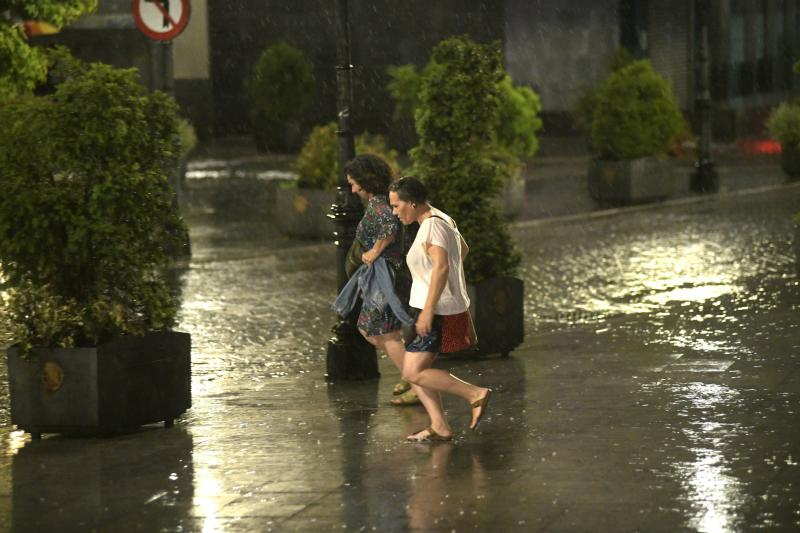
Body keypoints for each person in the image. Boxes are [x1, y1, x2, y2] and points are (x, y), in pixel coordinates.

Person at [387, 176, 492, 442]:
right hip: (431, 305)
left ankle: (474, 394)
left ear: (412, 203)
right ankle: (439, 425)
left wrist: (429, 309)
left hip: (433, 310)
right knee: (414, 370)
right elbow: (462, 250)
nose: (394, 212)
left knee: (413, 372)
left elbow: (443, 266)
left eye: (397, 206)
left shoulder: (432, 226)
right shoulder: (441, 219)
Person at [332, 154, 415, 389]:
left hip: (386, 276)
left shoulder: (379, 204)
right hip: (383, 276)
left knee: (385, 333)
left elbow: (389, 229)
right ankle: (412, 374)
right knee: (370, 329)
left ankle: (416, 380)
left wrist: (375, 251)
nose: (353, 188)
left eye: (354, 182)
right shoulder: (380, 202)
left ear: (365, 180)